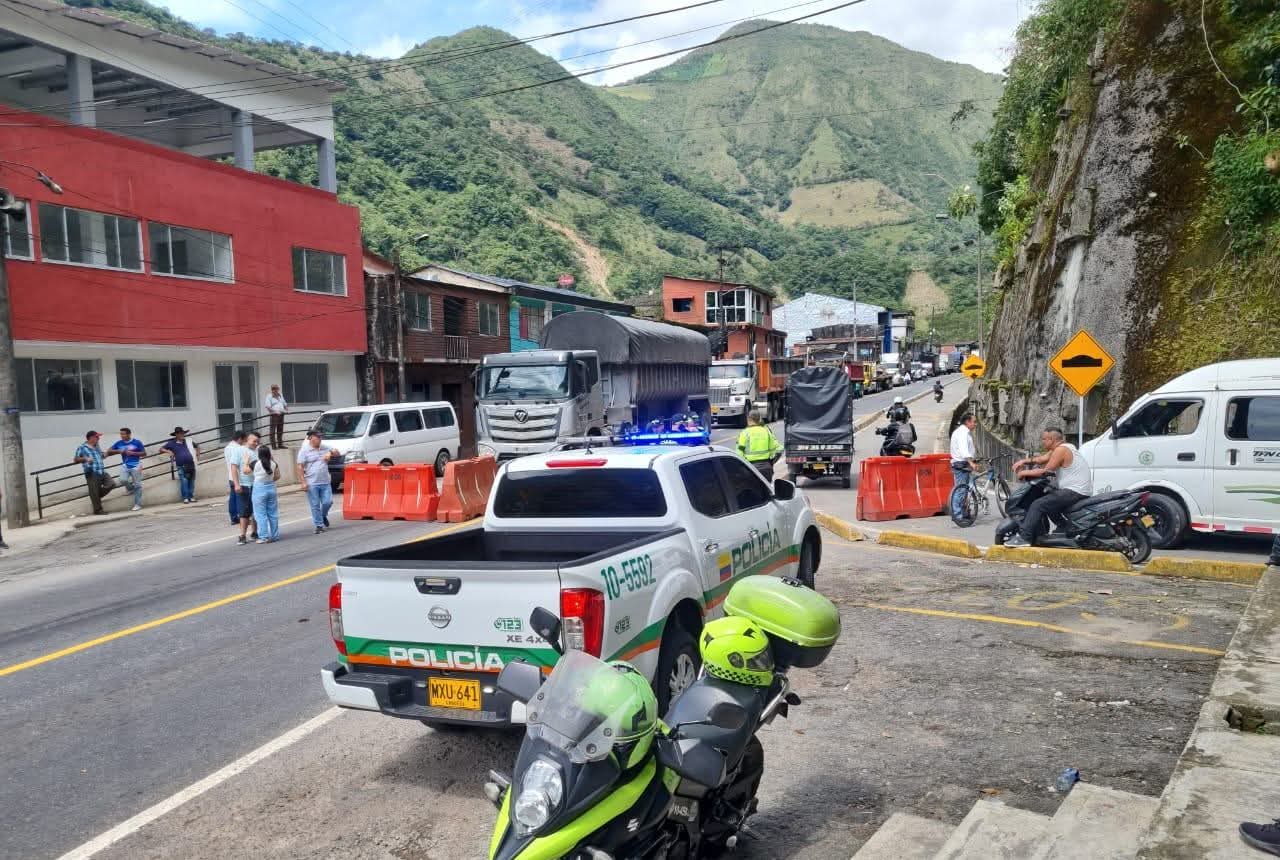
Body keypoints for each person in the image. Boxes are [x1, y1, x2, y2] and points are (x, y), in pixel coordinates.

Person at [1004, 427, 1093, 548]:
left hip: (1075, 491)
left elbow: (1046, 471)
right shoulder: (1063, 447)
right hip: (1075, 490)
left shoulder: (1061, 450)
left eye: (1044, 439)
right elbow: (1042, 459)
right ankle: (1063, 527)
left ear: (1051, 439)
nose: (1043, 442)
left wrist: (1024, 473)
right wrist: (1023, 462)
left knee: (1038, 504)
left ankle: (1025, 537)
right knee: (1048, 497)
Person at [297, 429, 336, 534]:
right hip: (312, 482)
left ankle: (323, 515)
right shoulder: (304, 450)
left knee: (328, 502)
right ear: (310, 438)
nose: (320, 439)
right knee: (315, 505)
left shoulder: (325, 447)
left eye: (320, 437)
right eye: (317, 437)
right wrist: (303, 482)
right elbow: (300, 466)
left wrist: (330, 453)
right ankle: (319, 525)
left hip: (325, 480)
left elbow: (337, 452)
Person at [248, 443, 282, 543]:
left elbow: (245, 471)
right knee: (273, 513)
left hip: (259, 488)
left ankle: (263, 536)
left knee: (260, 514)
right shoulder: (273, 463)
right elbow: (278, 476)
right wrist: (270, 479)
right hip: (271, 487)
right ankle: (275, 535)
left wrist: (246, 461)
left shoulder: (255, 463)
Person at [107, 427, 146, 511]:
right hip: (125, 465)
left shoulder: (137, 442)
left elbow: (144, 453)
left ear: (129, 434)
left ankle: (137, 504)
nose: (121, 436)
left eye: (123, 434)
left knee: (138, 485)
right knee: (122, 480)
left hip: (136, 465)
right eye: (121, 434)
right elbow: (109, 450)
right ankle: (130, 488)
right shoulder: (119, 443)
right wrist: (119, 451)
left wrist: (133, 453)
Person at [736, 410, 782, 480]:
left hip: (751, 469)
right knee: (767, 490)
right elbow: (779, 449)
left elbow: (739, 454)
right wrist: (772, 462)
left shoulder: (744, 433)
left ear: (749, 419)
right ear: (759, 419)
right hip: (766, 468)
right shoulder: (766, 431)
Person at [158, 426, 199, 504]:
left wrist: (197, 455)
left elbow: (197, 446)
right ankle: (185, 498)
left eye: (182, 433)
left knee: (192, 481)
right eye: (179, 433)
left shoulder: (187, 441)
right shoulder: (171, 443)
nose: (181, 435)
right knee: (184, 481)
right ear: (176, 435)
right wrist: (168, 451)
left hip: (191, 463)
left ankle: (191, 496)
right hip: (181, 465)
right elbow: (160, 449)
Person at [949, 413, 980, 515]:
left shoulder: (961, 431)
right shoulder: (963, 433)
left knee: (964, 489)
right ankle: (958, 515)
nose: (975, 424)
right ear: (967, 422)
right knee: (961, 491)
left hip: (962, 463)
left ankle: (963, 512)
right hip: (961, 464)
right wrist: (971, 463)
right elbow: (963, 450)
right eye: (974, 422)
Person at [74, 430, 109, 516]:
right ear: (91, 438)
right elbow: (75, 459)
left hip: (101, 471)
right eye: (97, 437)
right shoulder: (82, 447)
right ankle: (98, 510)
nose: (98, 438)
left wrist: (106, 454)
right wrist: (85, 459)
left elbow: (101, 456)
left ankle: (95, 495)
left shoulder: (97, 446)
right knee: (94, 491)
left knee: (111, 483)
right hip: (91, 472)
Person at [235, 432, 261, 545]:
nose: (256, 443)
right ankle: (242, 535)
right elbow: (233, 468)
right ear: (247, 440)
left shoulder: (258, 451)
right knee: (244, 512)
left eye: (257, 441)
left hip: (257, 484)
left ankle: (254, 532)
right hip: (244, 485)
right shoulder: (239, 450)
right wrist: (236, 484)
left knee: (256, 511)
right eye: (254, 441)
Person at [224, 430, 248, 526]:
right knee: (240, 498)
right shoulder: (238, 448)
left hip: (231, 475)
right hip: (238, 476)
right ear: (240, 439)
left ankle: (233, 517)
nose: (244, 442)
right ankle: (241, 516)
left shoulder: (227, 447)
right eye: (244, 440)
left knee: (233, 498)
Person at [264, 384, 288, 449]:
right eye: (274, 389)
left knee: (280, 430)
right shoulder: (269, 396)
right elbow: (268, 407)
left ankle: (280, 444)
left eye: (276, 388)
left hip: (281, 414)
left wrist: (286, 409)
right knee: (272, 430)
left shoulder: (280, 395)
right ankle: (274, 446)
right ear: (272, 390)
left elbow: (284, 403)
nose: (275, 390)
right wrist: (275, 411)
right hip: (274, 415)